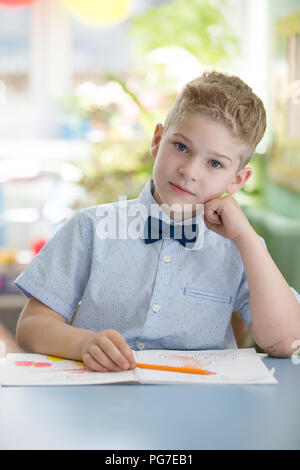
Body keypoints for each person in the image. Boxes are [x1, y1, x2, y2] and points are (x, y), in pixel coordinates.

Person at [15, 71, 300, 372]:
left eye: (214, 163)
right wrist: (82, 343)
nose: (190, 170)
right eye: (181, 147)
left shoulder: (240, 250)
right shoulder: (90, 229)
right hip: (101, 406)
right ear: (157, 140)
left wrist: (247, 241)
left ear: (238, 179)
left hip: (203, 411)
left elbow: (287, 342)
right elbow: (32, 326)